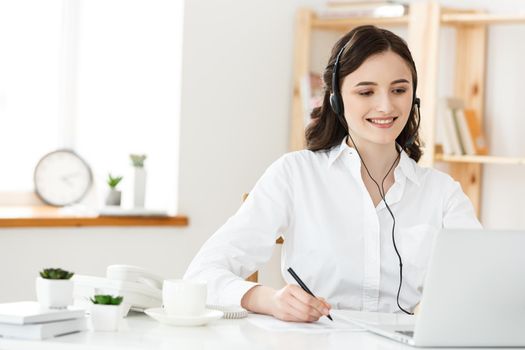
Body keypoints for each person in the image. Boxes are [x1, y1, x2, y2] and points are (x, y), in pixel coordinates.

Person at [184, 25, 481, 322]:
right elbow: (201, 276)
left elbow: (485, 285)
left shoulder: (442, 193)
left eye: (399, 90)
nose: (386, 106)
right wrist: (270, 299)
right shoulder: (295, 175)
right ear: (336, 98)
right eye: (366, 91)